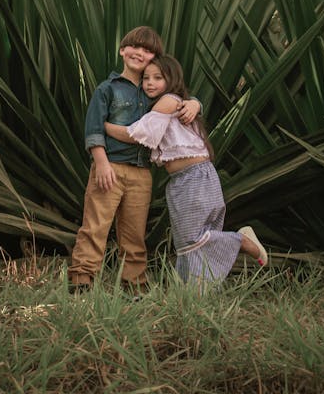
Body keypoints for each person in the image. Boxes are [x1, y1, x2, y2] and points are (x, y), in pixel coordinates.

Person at [104, 54, 268, 286]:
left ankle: (241, 240)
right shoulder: (175, 103)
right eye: (146, 78)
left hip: (195, 178)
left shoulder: (169, 100)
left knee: (193, 238)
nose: (150, 83)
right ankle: (195, 289)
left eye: (157, 77)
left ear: (171, 79)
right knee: (186, 241)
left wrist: (104, 126)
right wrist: (195, 102)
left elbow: (139, 134)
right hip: (184, 180)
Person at [68, 27, 201, 292]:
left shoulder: (155, 92)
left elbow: (180, 99)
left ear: (154, 59)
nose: (140, 52)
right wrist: (102, 164)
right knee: (95, 226)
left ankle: (134, 284)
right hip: (110, 167)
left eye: (148, 50)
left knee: (134, 233)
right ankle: (82, 279)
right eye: (134, 46)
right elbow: (94, 129)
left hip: (142, 173)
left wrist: (196, 103)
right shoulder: (107, 89)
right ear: (122, 50)